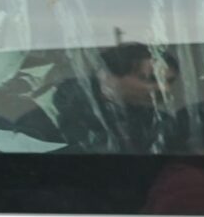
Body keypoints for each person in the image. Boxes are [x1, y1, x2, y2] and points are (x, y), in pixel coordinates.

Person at [54, 40, 186, 154]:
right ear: (108, 77)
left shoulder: (161, 125)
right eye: (152, 79)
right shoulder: (55, 115)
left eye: (169, 81)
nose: (165, 89)